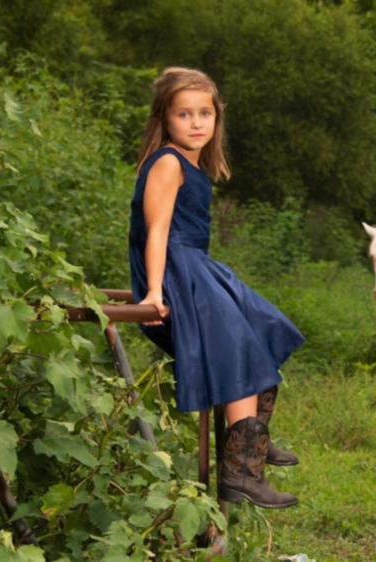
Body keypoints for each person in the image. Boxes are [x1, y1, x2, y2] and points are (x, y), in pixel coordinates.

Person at [127, 67, 304, 509]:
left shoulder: (191, 162)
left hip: (197, 266)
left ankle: (247, 448)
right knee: (237, 346)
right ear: (165, 120)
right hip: (176, 271)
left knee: (265, 326)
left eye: (204, 112)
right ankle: (241, 472)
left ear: (216, 117)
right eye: (184, 114)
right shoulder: (167, 162)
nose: (196, 122)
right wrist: (153, 292)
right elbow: (157, 231)